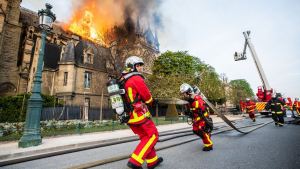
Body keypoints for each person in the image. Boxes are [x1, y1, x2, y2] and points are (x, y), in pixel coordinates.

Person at [121, 56, 163, 169]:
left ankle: (152, 161)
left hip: (129, 116)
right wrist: (152, 102)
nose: (141, 68)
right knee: (153, 135)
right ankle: (135, 161)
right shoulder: (136, 78)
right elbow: (147, 96)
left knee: (145, 136)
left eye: (141, 65)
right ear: (133, 67)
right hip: (139, 114)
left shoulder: (123, 79)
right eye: (139, 65)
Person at [180, 83, 213, 151]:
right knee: (195, 131)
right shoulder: (188, 100)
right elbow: (190, 109)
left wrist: (192, 102)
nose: (183, 95)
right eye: (183, 94)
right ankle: (207, 136)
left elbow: (201, 106)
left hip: (202, 117)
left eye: (184, 93)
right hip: (196, 119)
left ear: (188, 92)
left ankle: (209, 145)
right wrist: (188, 112)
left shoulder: (196, 97)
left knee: (202, 131)